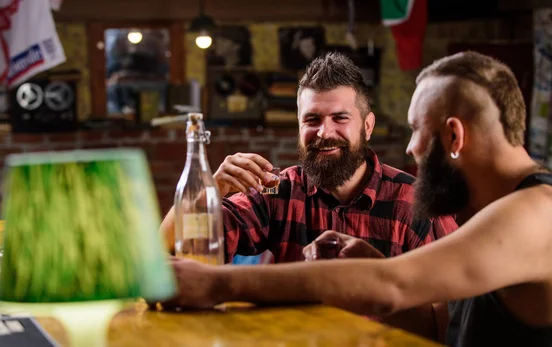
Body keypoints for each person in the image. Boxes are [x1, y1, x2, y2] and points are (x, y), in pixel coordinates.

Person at [164, 51, 552, 346]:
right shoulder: (501, 212)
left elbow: (392, 285)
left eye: (417, 129)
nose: (413, 147)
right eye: (312, 120)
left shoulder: (537, 212)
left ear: (454, 136)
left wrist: (219, 285)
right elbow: (440, 327)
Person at [160, 52, 457, 263]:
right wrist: (207, 192)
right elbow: (172, 251)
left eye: (340, 118)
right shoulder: (278, 191)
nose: (324, 132)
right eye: (312, 119)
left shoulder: (415, 203)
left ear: (367, 126)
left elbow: (450, 308)